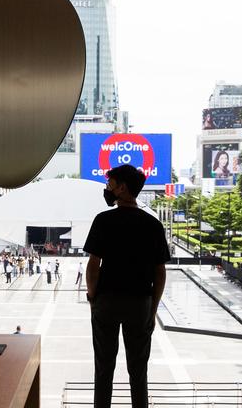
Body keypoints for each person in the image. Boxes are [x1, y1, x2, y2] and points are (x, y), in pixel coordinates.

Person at [84, 165, 171, 408]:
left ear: (122, 188)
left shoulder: (103, 220)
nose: (108, 188)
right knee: (138, 371)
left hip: (107, 302)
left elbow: (93, 266)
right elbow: (160, 272)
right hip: (140, 304)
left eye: (111, 183)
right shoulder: (153, 225)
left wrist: (93, 298)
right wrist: (152, 309)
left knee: (103, 368)